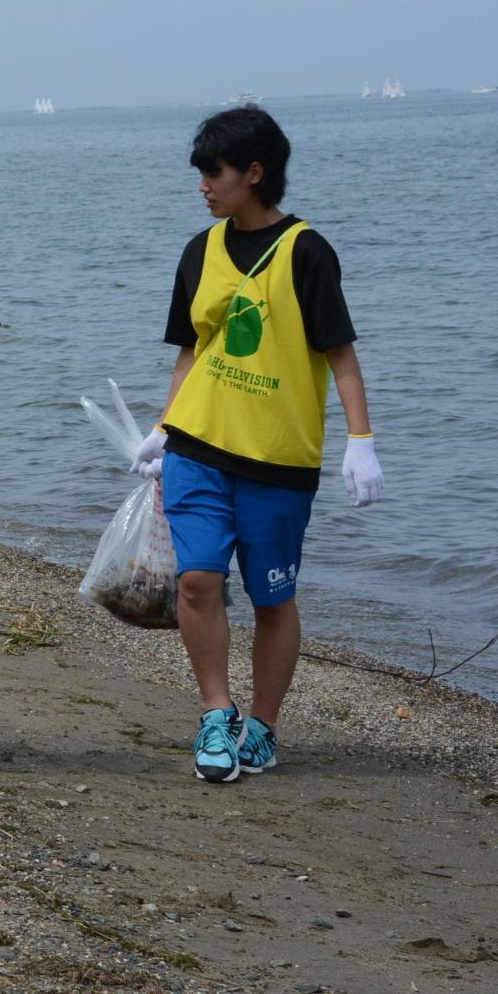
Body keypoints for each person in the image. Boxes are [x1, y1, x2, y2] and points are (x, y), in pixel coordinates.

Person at [130, 106, 383, 784]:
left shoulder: (307, 252)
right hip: (199, 450)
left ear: (255, 172)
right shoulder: (199, 251)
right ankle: (218, 711)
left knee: (272, 598)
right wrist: (163, 425)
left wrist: (361, 439)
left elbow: (342, 356)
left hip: (277, 464)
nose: (203, 185)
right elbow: (192, 352)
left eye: (213, 171)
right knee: (196, 580)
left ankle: (263, 727)